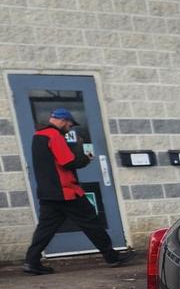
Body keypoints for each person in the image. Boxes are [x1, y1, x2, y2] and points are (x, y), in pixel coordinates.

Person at [23, 108, 128, 274]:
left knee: (45, 229)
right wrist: (85, 158)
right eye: (70, 124)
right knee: (92, 223)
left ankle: (31, 261)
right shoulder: (54, 136)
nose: (70, 128)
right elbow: (68, 161)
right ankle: (112, 258)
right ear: (64, 120)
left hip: (48, 192)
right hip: (66, 192)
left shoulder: (38, 136)